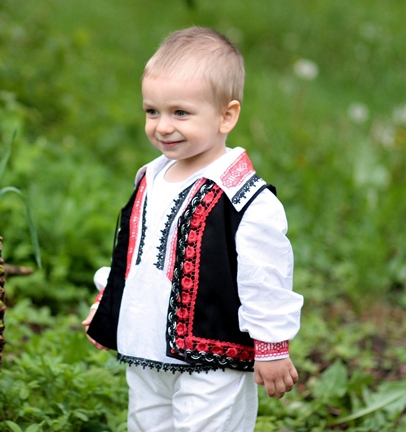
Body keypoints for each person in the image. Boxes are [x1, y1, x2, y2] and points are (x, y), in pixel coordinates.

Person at [82, 26, 304, 431]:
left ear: (227, 115)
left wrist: (271, 345)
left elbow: (265, 273)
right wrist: (111, 307)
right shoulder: (150, 178)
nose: (163, 126)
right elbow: (133, 252)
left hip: (214, 358)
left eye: (180, 113)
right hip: (148, 348)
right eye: (153, 111)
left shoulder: (242, 196)